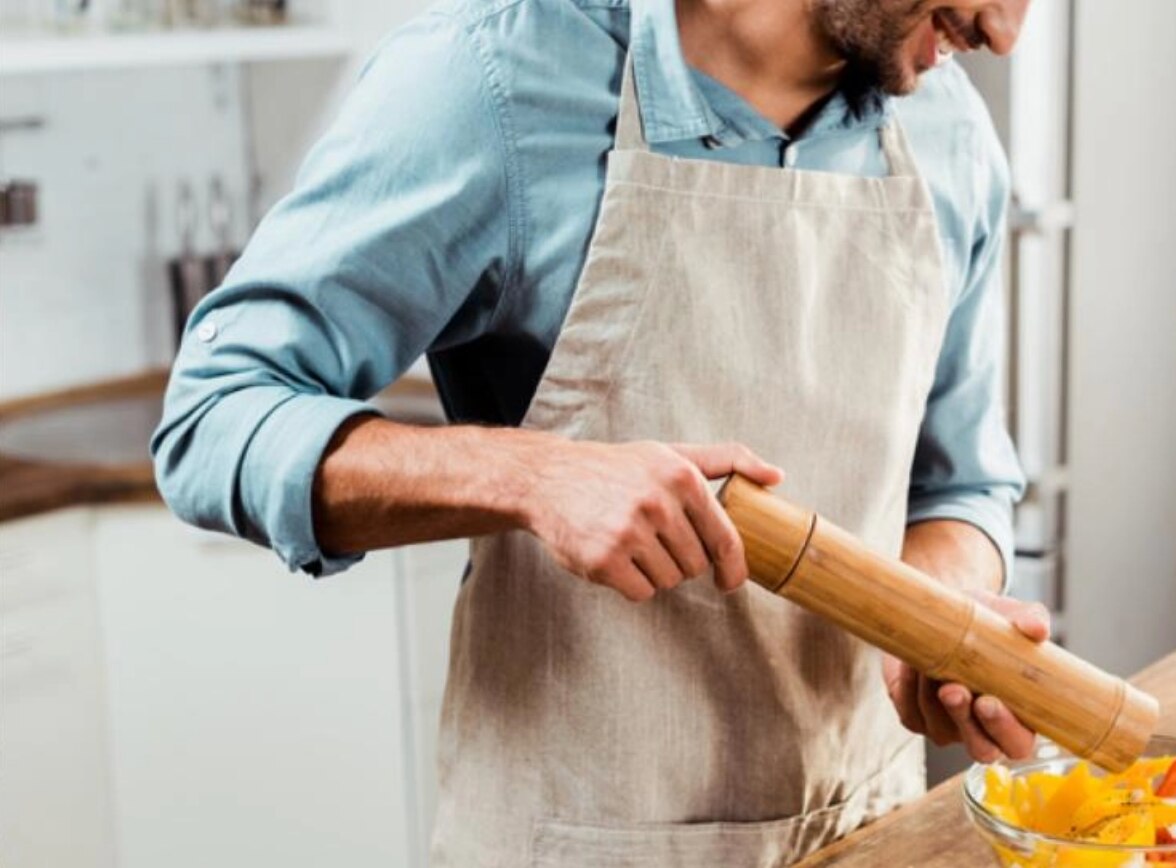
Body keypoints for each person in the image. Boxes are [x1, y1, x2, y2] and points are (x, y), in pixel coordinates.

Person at [153, 0, 1047, 864]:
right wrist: (536, 478)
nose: (1006, 33)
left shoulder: (949, 136)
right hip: (578, 840)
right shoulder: (494, 83)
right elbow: (215, 416)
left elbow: (959, 485)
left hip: (859, 829)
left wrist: (940, 619)